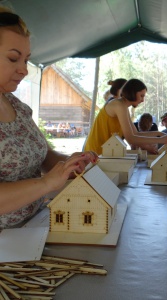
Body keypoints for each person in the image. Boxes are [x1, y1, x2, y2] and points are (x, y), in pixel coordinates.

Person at [0, 7, 98, 229]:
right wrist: (46, 183)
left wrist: (70, 164)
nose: (24, 70)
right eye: (13, 58)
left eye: (26, 60)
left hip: (32, 227)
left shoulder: (17, 106)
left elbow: (43, 155)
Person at [84, 79, 167, 155]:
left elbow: (136, 134)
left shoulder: (123, 107)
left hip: (104, 153)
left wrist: (159, 134)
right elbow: (131, 139)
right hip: (95, 152)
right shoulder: (118, 105)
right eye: (141, 96)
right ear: (133, 93)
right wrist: (160, 140)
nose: (142, 100)